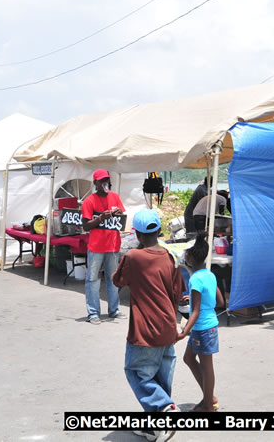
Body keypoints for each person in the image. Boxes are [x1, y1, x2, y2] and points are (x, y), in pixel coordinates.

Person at [112, 209, 185, 439]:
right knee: (161, 377)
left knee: (136, 372)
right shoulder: (171, 257)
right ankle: (155, 426)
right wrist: (177, 326)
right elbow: (178, 294)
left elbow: (117, 281)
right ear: (159, 231)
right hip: (168, 326)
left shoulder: (133, 257)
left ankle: (166, 408)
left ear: (138, 235)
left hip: (145, 329)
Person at [177, 232, 225, 413]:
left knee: (206, 365)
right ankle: (208, 398)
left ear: (190, 256)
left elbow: (196, 312)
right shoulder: (209, 275)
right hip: (207, 326)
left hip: (202, 328)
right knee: (189, 358)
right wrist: (194, 298)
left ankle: (208, 405)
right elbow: (220, 301)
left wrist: (183, 332)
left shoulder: (195, 279)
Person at [81, 169, 126, 324]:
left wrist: (119, 213)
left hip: (113, 245)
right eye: (102, 181)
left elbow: (122, 219)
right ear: (95, 183)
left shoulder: (115, 197)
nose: (105, 183)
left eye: (106, 180)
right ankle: (93, 313)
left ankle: (114, 310)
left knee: (113, 279)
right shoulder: (89, 201)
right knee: (93, 280)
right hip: (96, 247)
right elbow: (85, 226)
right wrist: (100, 218)